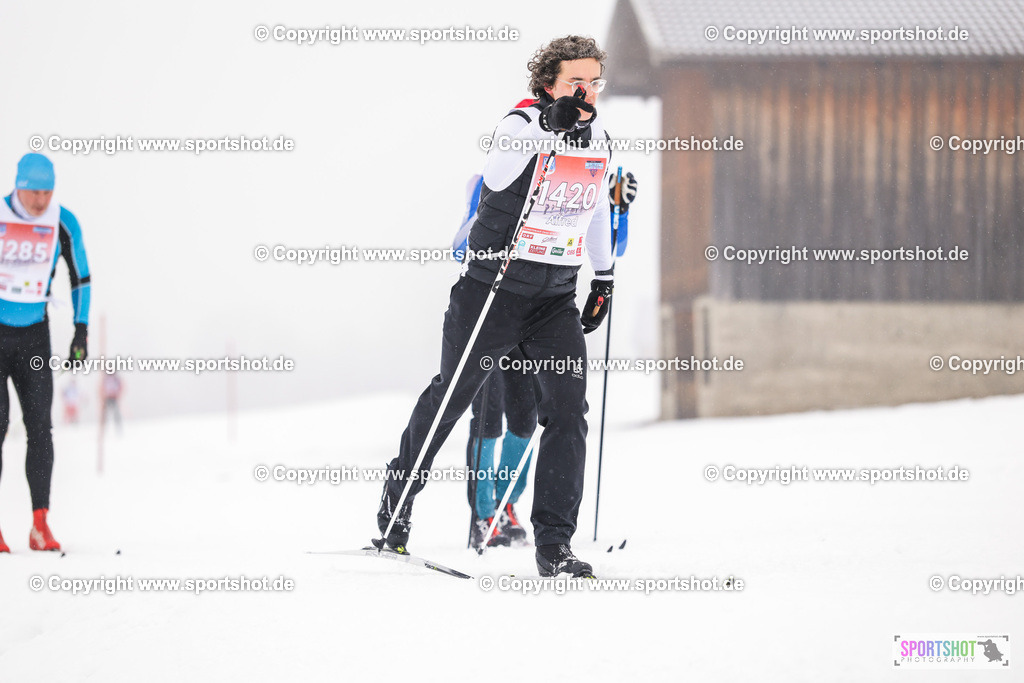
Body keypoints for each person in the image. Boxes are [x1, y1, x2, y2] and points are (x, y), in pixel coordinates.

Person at [376, 35, 617, 577]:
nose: (587, 92)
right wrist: (546, 126)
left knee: (568, 414)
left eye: (595, 82)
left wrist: (603, 277)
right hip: (493, 290)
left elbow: (597, 206)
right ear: (549, 83)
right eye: (576, 82)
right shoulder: (519, 123)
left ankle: (554, 543)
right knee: (451, 397)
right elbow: (498, 176)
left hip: (554, 297)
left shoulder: (599, 137)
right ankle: (398, 502)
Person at [456, 166, 638, 551]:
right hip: (490, 313)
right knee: (487, 418)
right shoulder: (489, 179)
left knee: (524, 419)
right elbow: (460, 245)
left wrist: (618, 210)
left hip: (534, 317)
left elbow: (611, 249)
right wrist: (492, 234)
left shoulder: (564, 183)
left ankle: (506, 507)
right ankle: (482, 515)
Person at [0, 153, 91, 554]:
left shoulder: (62, 221)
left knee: (40, 428)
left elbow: (81, 276)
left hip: (35, 336)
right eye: (34, 192)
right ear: (19, 186)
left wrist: (81, 329)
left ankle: (40, 525)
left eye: (47, 192)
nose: (41, 200)